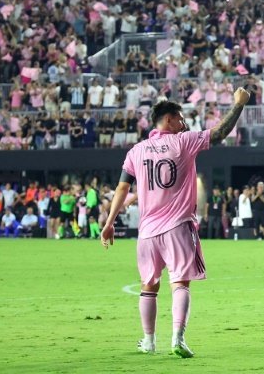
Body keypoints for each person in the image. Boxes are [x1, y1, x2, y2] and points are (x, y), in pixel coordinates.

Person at [100, 87, 250, 358]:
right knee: (180, 283)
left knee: (149, 286)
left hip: (146, 232)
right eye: (180, 118)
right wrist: (239, 104)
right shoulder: (184, 142)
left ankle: (148, 341)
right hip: (178, 226)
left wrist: (110, 222)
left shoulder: (136, 151)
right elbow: (218, 133)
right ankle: (178, 339)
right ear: (168, 120)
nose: (184, 123)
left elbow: (122, 189)